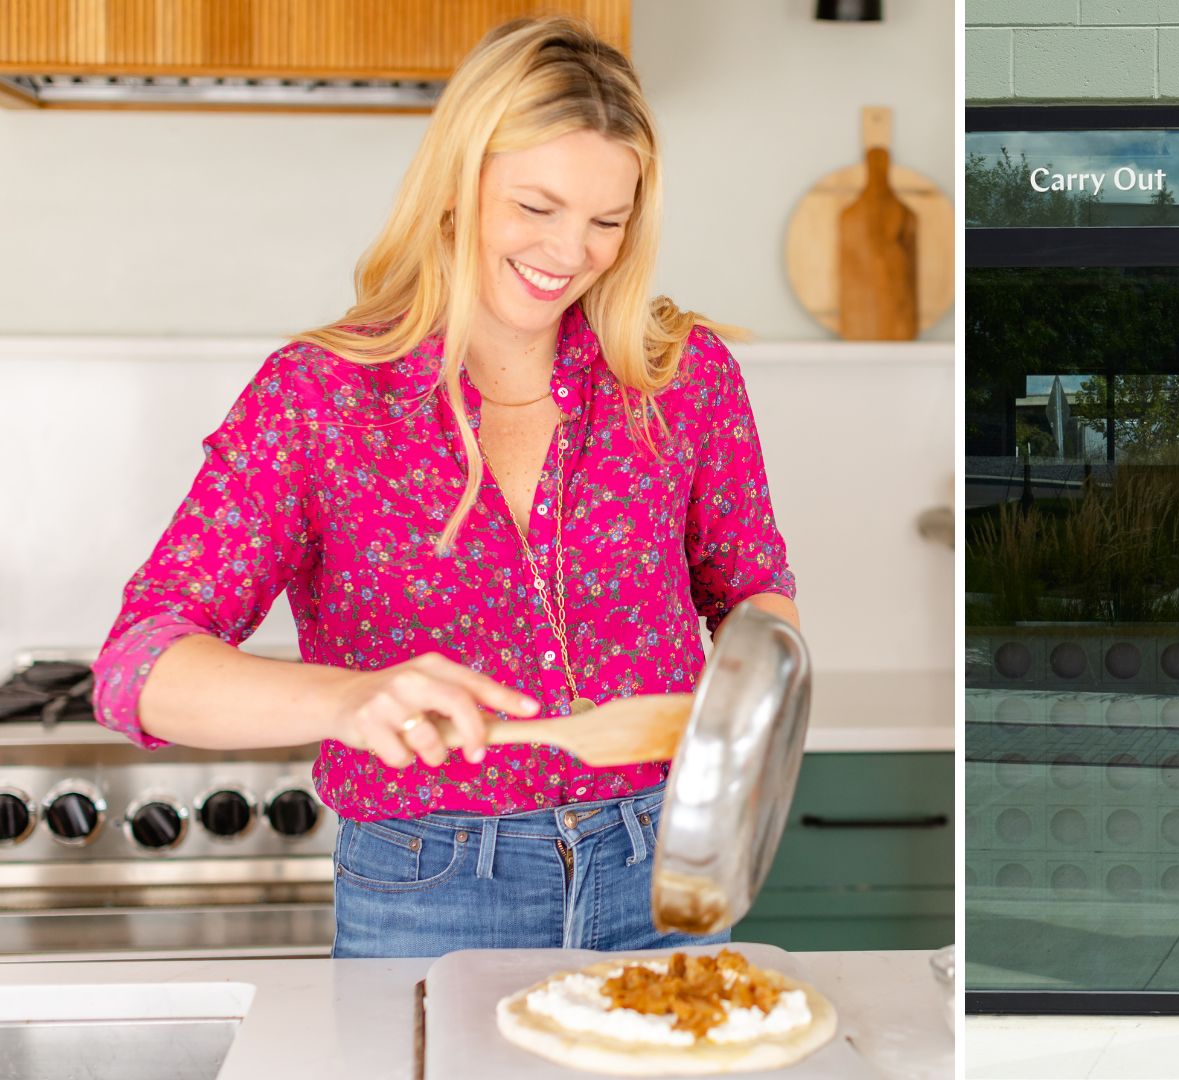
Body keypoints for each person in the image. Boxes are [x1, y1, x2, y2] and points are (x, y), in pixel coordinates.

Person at [89, 14, 798, 958]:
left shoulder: (680, 376)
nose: (571, 251)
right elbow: (139, 666)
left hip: (663, 861)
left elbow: (753, 590)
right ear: (458, 188)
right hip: (430, 884)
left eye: (607, 221)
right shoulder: (323, 398)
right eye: (536, 208)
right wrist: (347, 702)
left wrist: (761, 730)